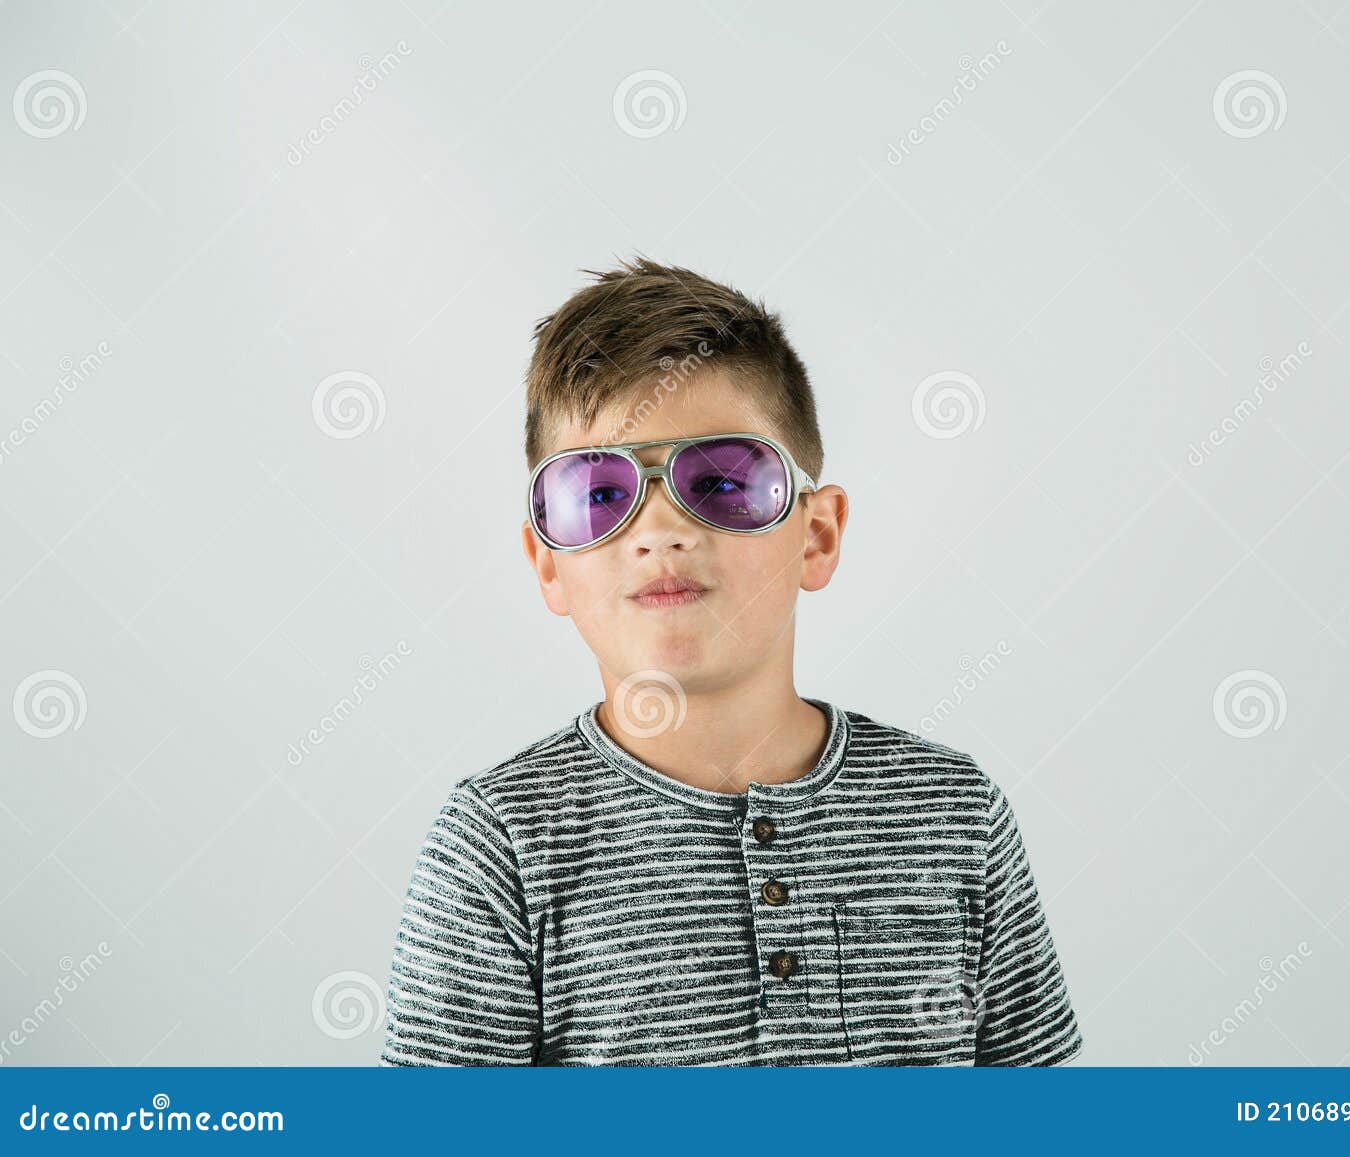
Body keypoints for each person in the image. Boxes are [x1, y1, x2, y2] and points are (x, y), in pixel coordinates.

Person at [380, 257, 1083, 1066]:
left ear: (816, 536)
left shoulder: (956, 812)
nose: (659, 529)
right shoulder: (500, 845)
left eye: (719, 481)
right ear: (548, 564)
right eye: (599, 493)